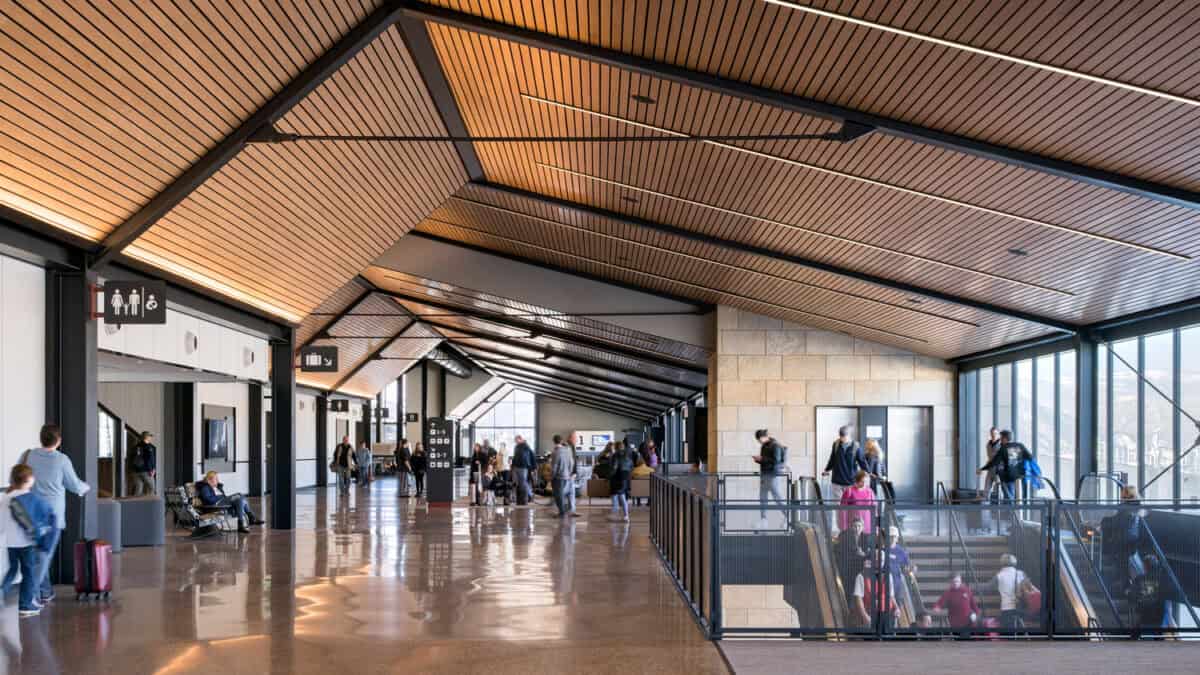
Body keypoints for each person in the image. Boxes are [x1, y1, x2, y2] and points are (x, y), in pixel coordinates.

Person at [22, 424, 90, 605]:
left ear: (41, 438)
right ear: (58, 441)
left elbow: (20, 477)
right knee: (44, 556)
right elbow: (74, 484)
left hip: (31, 513)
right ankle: (30, 596)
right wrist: (86, 487)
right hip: (52, 516)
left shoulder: (29, 456)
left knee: (39, 554)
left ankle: (45, 591)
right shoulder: (61, 460)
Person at [1, 464, 57, 617]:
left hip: (10, 544)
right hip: (27, 543)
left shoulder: (5, 498)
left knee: (12, 570)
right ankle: (26, 605)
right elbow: (47, 519)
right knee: (29, 574)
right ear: (30, 479)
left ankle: (2, 592)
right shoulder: (31, 499)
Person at [196, 471, 263, 533]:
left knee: (239, 499)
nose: (217, 480)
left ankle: (242, 524)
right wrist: (220, 497)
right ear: (209, 480)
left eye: (217, 478)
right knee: (239, 495)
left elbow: (223, 496)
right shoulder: (205, 488)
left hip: (222, 501)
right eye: (215, 479)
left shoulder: (217, 487)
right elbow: (208, 500)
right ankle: (250, 518)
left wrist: (222, 495)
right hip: (216, 504)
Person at [976, 430, 1032, 503]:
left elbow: (994, 462)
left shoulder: (1004, 448)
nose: (1001, 440)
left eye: (1001, 438)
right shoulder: (1020, 445)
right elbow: (1030, 457)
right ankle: (1016, 508)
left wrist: (982, 468)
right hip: (1019, 475)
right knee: (1016, 496)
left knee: (1008, 497)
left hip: (1007, 476)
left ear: (1005, 438)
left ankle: (1010, 508)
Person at [823, 425, 868, 504]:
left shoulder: (856, 446)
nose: (842, 439)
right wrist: (827, 469)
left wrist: (867, 471)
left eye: (844, 436)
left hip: (850, 481)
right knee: (838, 505)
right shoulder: (836, 444)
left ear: (849, 435)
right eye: (841, 436)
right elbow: (832, 459)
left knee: (850, 505)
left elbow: (862, 461)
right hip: (837, 481)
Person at [752, 429, 787, 531]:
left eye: (759, 439)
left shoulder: (775, 445)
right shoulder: (764, 446)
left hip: (773, 475)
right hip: (765, 475)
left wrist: (762, 459)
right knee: (763, 498)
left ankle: (788, 517)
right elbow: (766, 461)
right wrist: (759, 460)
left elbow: (776, 462)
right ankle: (763, 520)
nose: (759, 441)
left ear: (764, 437)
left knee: (777, 497)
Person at [853, 556, 896, 631]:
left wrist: (896, 608)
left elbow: (891, 596)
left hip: (886, 615)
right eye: (876, 560)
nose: (878, 563)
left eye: (881, 560)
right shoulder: (861, 576)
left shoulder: (888, 576)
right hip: (870, 614)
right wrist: (865, 616)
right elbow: (858, 598)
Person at [835, 516, 870, 604]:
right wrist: (857, 553)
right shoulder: (844, 535)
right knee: (848, 590)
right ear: (851, 527)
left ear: (863, 527)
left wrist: (863, 554)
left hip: (860, 567)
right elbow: (841, 552)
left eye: (859, 526)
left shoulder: (866, 538)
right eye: (855, 526)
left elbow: (869, 554)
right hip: (847, 567)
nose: (857, 528)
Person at [993, 553, 1027, 630]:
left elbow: (989, 586)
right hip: (1020, 606)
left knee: (1008, 631)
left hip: (1007, 608)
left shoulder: (1000, 575)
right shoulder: (1021, 573)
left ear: (1002, 562)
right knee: (1021, 626)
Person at [608, 440, 637, 522]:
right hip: (626, 477)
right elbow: (632, 466)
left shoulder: (616, 455)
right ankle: (625, 515)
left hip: (618, 477)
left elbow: (614, 467)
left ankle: (616, 511)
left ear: (616, 447)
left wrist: (609, 476)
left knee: (616, 494)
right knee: (623, 495)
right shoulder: (628, 455)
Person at [550, 435, 576, 518]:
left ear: (554, 441)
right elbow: (572, 463)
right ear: (561, 441)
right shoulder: (568, 451)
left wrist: (552, 476)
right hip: (567, 476)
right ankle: (567, 510)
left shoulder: (555, 452)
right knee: (567, 494)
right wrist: (570, 472)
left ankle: (562, 513)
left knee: (559, 496)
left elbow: (554, 466)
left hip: (558, 477)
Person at [129, 431, 157, 496]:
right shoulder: (148, 447)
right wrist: (151, 469)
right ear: (146, 437)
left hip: (135, 471)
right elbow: (149, 459)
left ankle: (136, 502)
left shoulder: (136, 446)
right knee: (151, 487)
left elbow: (131, 458)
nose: (150, 438)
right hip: (146, 471)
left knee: (138, 489)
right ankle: (148, 501)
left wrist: (131, 470)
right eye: (150, 436)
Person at [511, 435, 536, 505]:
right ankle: (519, 498)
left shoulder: (526, 446)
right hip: (516, 467)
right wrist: (512, 465)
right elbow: (515, 457)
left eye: (516, 440)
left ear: (520, 439)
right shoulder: (516, 447)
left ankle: (530, 495)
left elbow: (532, 456)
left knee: (523, 483)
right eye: (515, 441)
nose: (515, 442)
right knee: (518, 483)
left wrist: (534, 467)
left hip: (523, 467)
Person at [982, 427, 1002, 496]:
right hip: (990, 468)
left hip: (998, 469)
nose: (993, 435)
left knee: (998, 489)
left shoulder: (1001, 444)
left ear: (998, 434)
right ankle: (986, 501)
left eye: (995, 433)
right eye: (992, 433)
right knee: (986, 488)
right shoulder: (988, 444)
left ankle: (1000, 501)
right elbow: (990, 457)